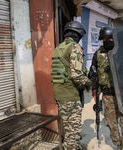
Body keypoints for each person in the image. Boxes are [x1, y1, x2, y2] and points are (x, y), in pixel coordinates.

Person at [90, 27, 123, 150]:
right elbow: (93, 74)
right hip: (107, 95)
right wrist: (94, 92)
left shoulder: (122, 51)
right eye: (104, 38)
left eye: (109, 38)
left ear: (114, 39)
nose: (107, 40)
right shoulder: (98, 54)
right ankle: (119, 146)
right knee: (111, 124)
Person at [51, 21, 91, 150]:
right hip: (70, 94)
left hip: (59, 92)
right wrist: (90, 83)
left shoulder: (58, 47)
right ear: (78, 34)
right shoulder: (75, 47)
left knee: (68, 127)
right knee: (73, 133)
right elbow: (76, 75)